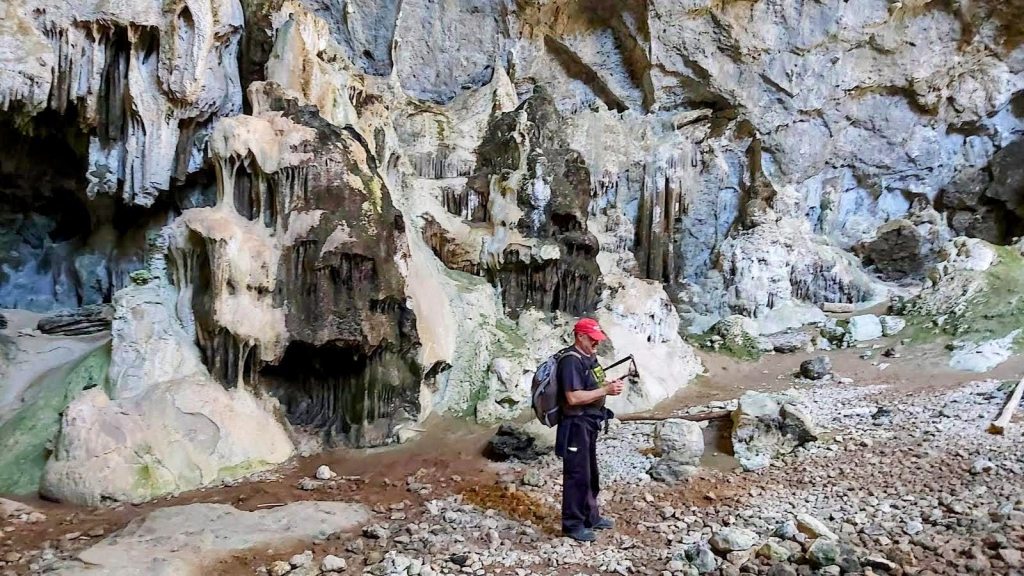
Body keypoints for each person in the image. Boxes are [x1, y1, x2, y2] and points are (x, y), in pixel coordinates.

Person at [555, 317, 625, 542]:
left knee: (590, 473)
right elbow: (573, 397)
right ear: (580, 336)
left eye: (598, 339)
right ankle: (572, 525)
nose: (597, 343)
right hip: (575, 425)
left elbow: (594, 385)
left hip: (589, 423)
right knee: (576, 475)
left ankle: (590, 516)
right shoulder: (571, 361)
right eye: (593, 339)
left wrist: (608, 386)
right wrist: (605, 390)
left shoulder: (590, 356)